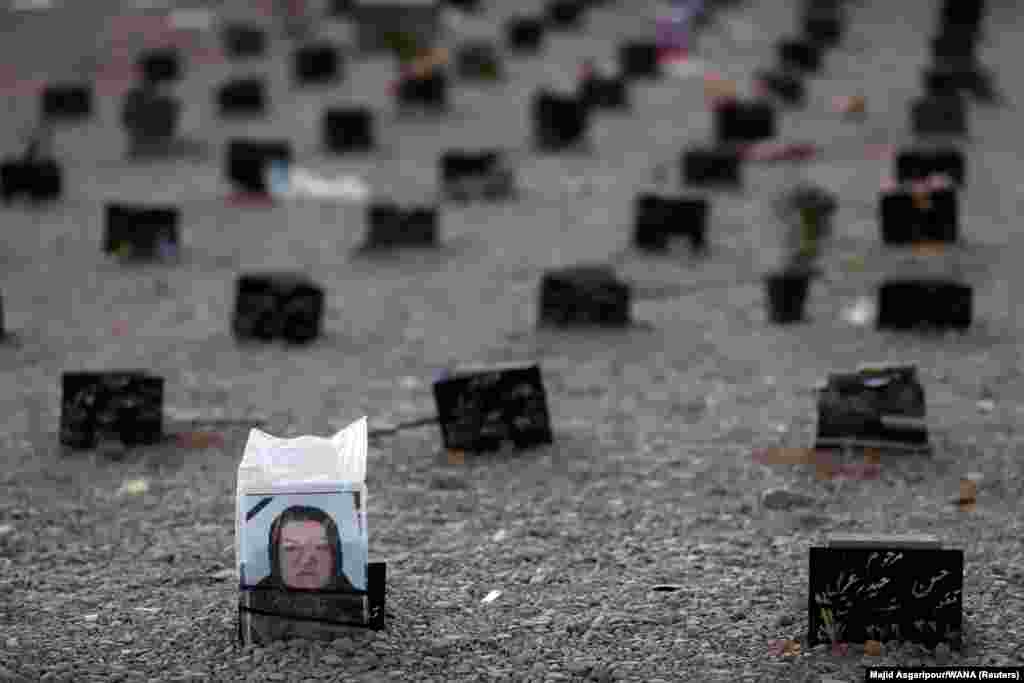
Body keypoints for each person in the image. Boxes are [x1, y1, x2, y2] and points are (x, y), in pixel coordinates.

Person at [256, 505, 355, 591]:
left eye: (320, 547)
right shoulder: (249, 603)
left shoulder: (361, 606)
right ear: (275, 557)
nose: (306, 560)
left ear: (335, 556)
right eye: (291, 548)